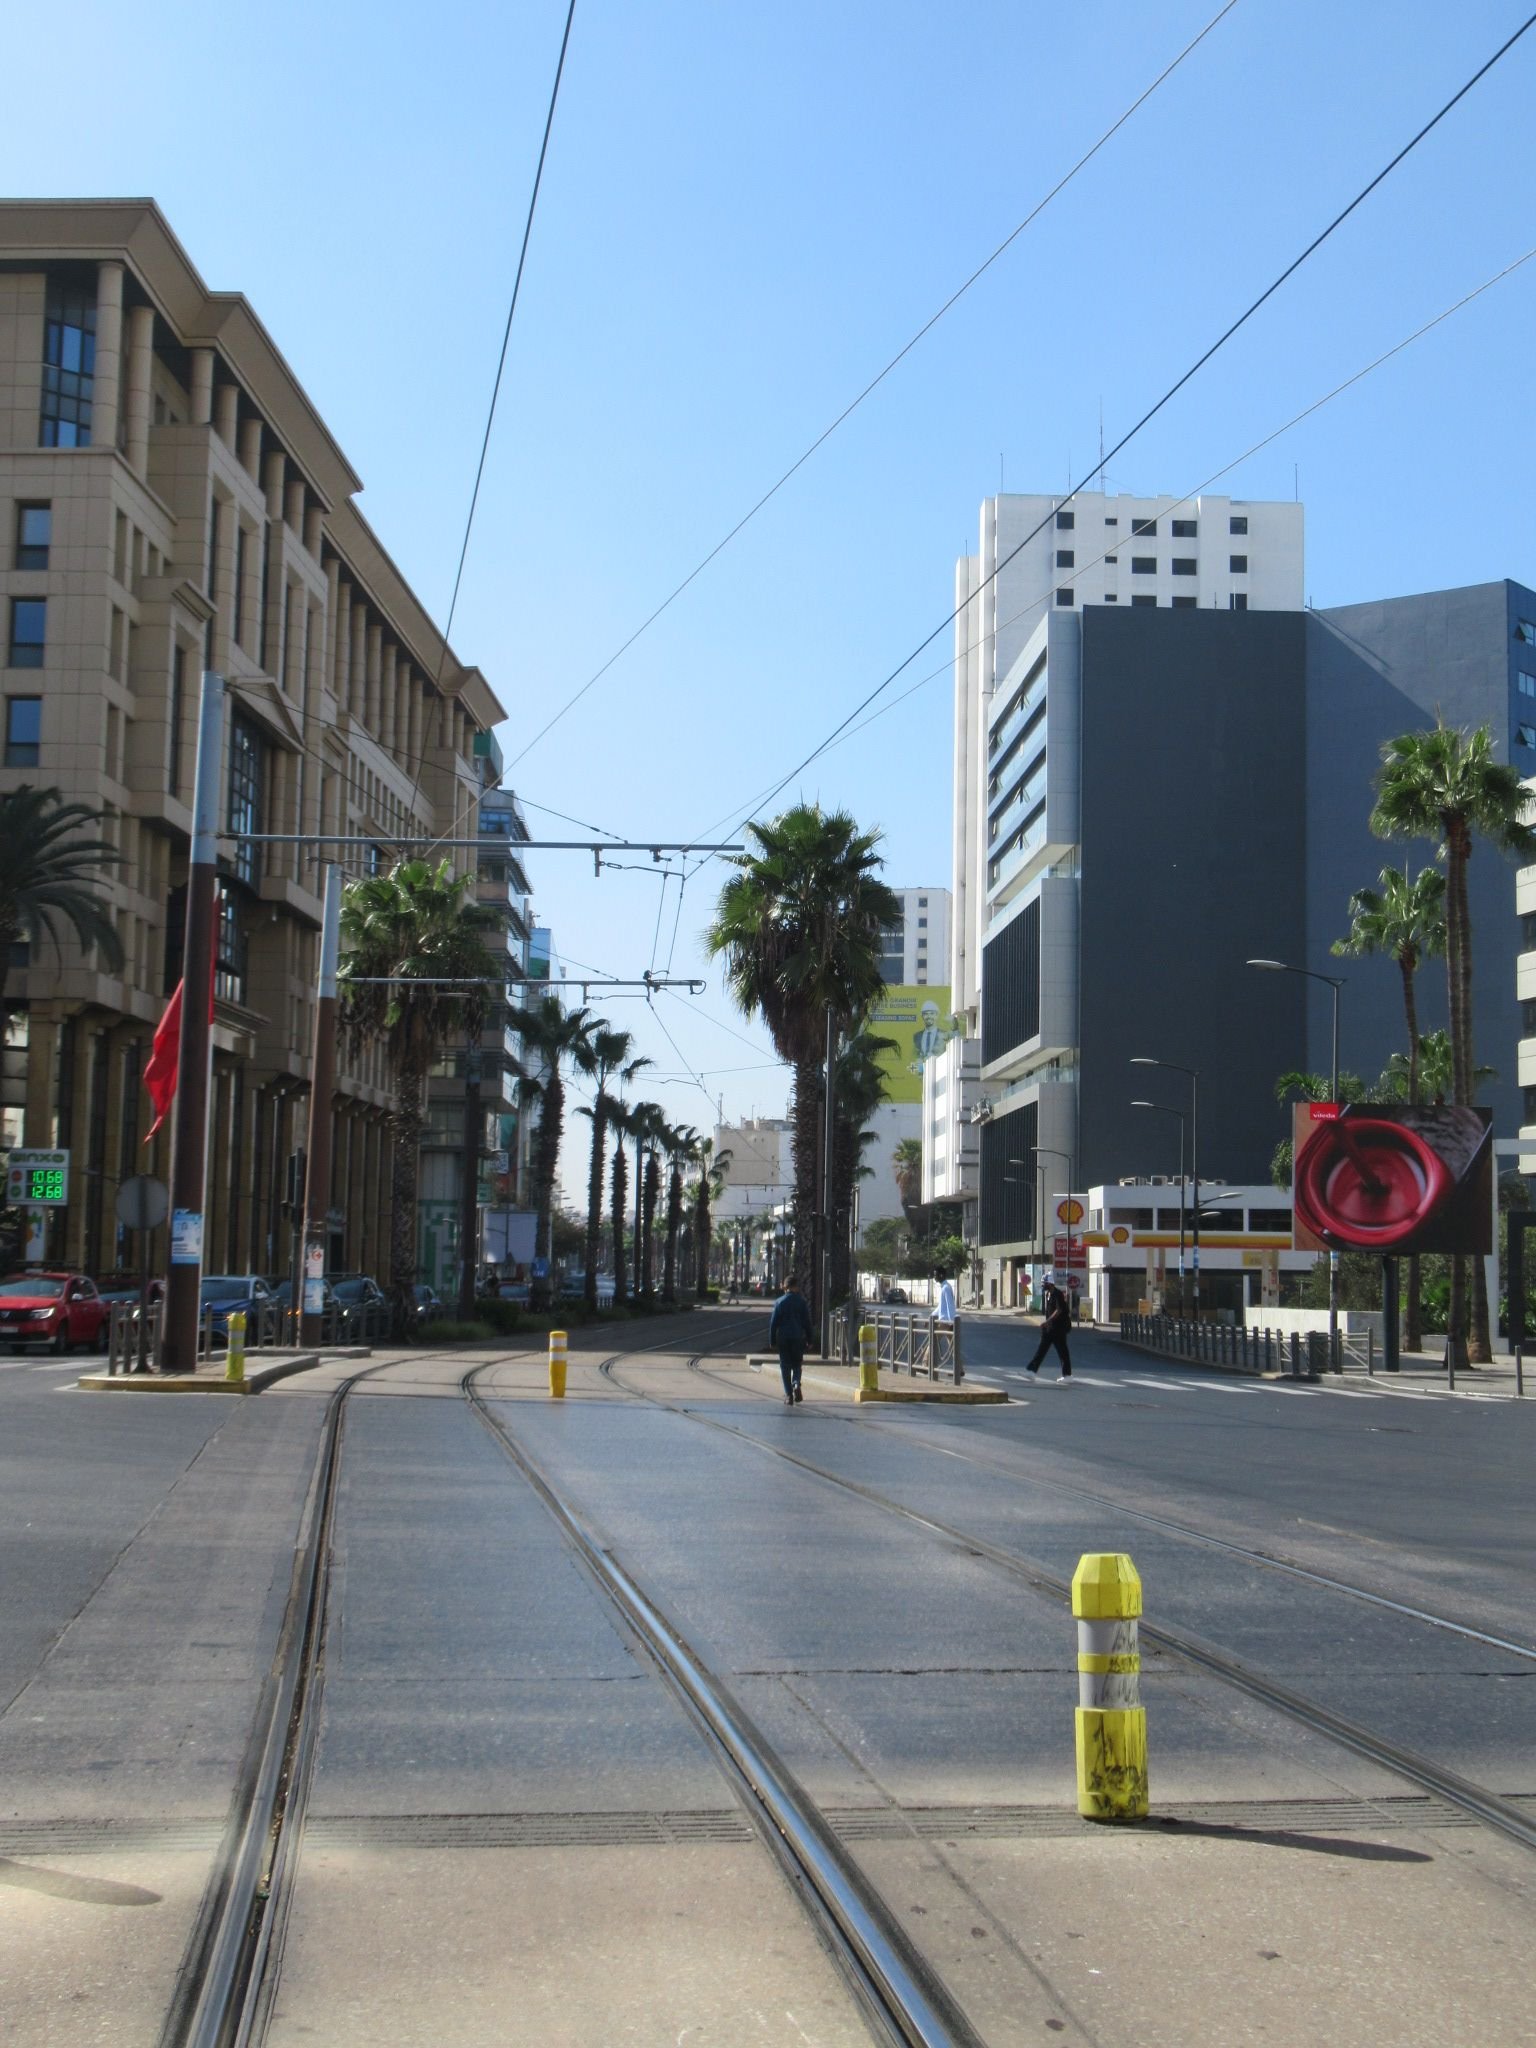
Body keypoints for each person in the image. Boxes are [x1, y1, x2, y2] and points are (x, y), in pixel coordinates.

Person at [768, 1272, 813, 1406]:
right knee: (797, 1364)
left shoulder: (779, 1302)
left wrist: (772, 1341)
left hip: (783, 1338)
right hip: (798, 1337)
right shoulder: (802, 1302)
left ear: (785, 1287)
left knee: (785, 1366)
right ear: (796, 1287)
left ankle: (789, 1395)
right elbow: (807, 1322)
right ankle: (796, 1383)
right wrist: (810, 1340)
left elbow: (773, 1323)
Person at [1025, 1272, 1072, 1378]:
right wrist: (1047, 1324)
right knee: (1041, 1350)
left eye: (1044, 1283)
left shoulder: (1058, 1294)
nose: (1043, 1285)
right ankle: (1031, 1371)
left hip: (1059, 1329)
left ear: (1050, 1283)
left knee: (1063, 1353)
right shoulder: (1048, 1294)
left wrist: (1047, 1322)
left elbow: (1059, 1310)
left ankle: (1067, 1375)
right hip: (1050, 1329)